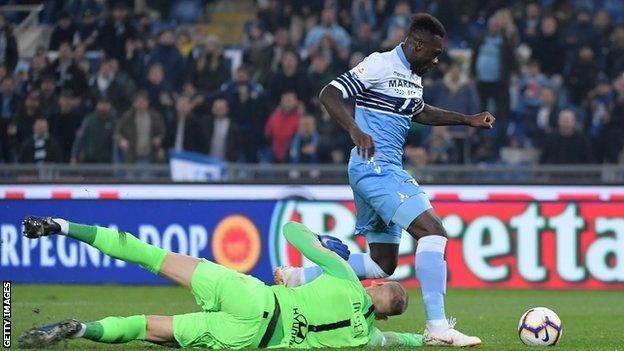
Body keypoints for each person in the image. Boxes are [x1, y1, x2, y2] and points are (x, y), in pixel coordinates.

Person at [280, 13, 495, 347]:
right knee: (433, 232)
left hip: (377, 168)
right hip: (376, 166)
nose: (437, 60)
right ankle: (437, 326)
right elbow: (330, 94)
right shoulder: (380, 64)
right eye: (433, 53)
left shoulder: (412, 76)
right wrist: (356, 130)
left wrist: (466, 120)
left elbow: (419, 111)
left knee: (382, 265)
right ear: (416, 44)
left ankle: (299, 277)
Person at [19, 218, 423, 349]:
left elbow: (291, 230)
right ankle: (81, 329)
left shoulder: (348, 276)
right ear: (383, 318)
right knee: (149, 327)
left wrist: (323, 249)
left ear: (373, 287)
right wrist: (430, 339)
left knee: (153, 256)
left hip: (252, 295)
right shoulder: (366, 337)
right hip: (251, 336)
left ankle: (62, 225)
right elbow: (400, 341)